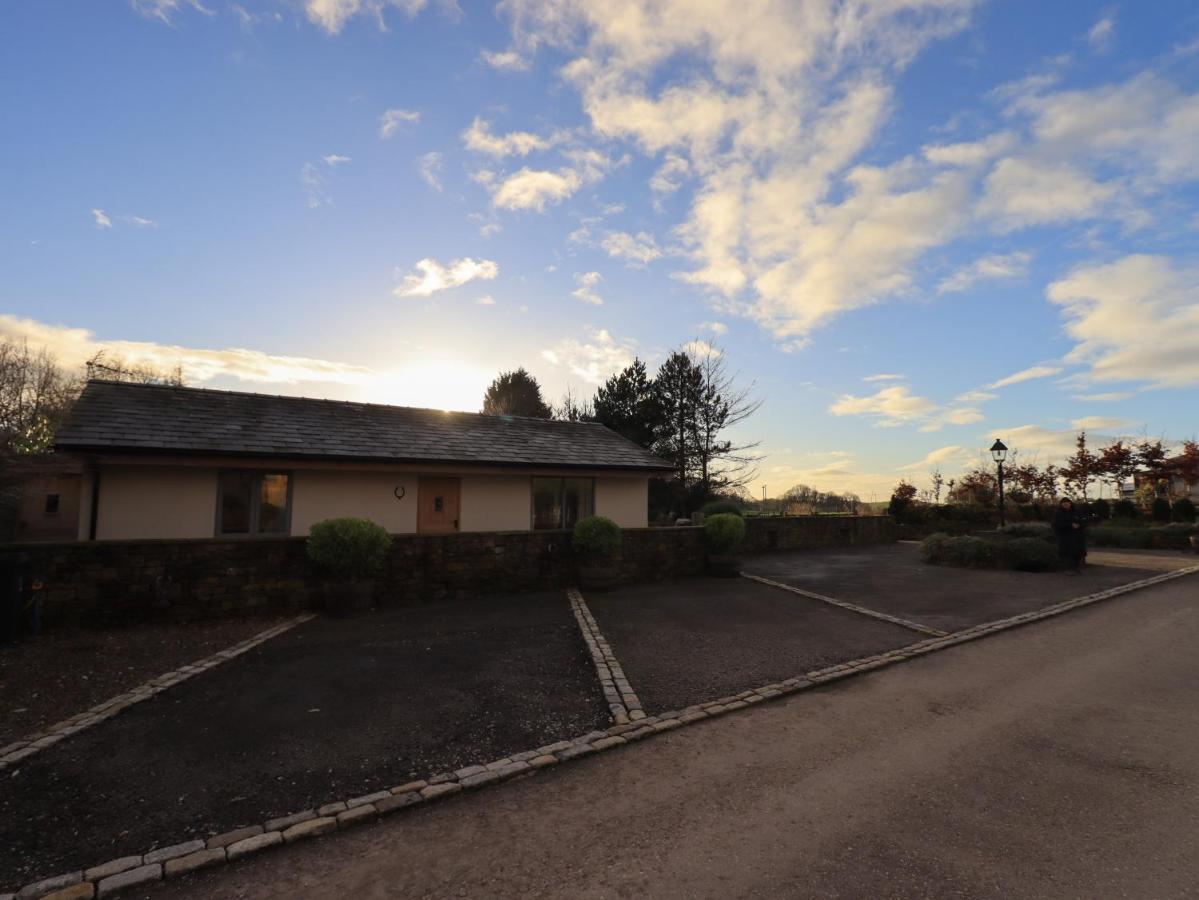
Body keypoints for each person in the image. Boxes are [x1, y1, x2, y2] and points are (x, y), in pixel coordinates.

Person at [1052, 497, 1087, 573]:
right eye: (1064, 504)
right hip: (1065, 537)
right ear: (1061, 504)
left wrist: (1079, 525)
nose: (1066, 505)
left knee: (1078, 553)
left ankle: (1076, 568)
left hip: (1077, 536)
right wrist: (1070, 525)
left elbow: (1083, 520)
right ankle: (1068, 569)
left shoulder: (1076, 511)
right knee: (1067, 554)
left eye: (1067, 503)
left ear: (1070, 503)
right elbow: (1056, 524)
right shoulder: (1058, 513)